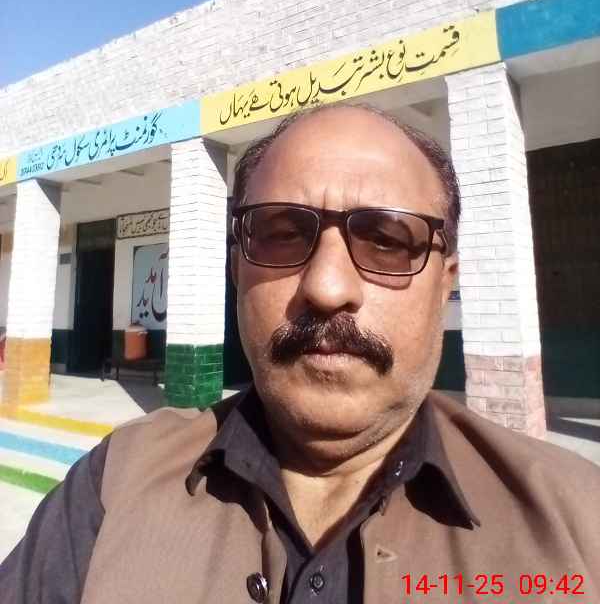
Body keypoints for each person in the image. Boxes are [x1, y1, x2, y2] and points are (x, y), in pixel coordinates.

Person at [1, 103, 599, 604]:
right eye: (282, 234)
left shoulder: (578, 522)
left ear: (445, 284)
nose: (328, 287)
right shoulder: (115, 486)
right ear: (237, 271)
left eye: (387, 240)